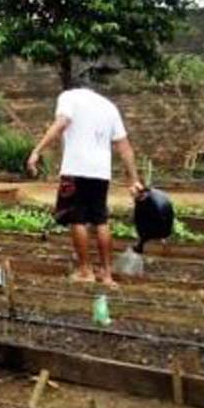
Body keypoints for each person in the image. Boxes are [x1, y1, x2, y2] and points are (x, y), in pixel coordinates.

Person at [26, 74, 143, 287]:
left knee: (77, 218)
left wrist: (37, 150)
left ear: (74, 86)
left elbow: (62, 122)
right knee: (100, 219)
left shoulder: (69, 96)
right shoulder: (109, 106)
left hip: (76, 168)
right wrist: (134, 179)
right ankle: (107, 274)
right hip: (100, 172)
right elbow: (124, 146)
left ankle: (85, 270)